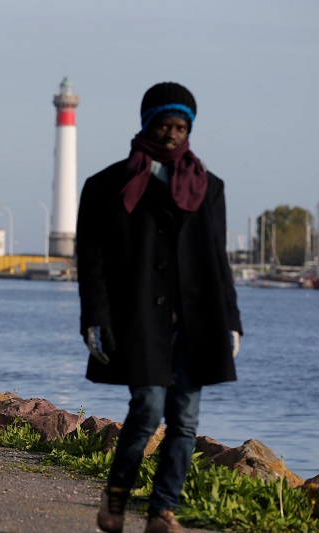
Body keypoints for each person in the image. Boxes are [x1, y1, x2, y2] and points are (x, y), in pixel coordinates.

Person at [75, 82, 242, 533]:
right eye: (164, 125)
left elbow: (218, 260)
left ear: (190, 129)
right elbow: (91, 262)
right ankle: (116, 496)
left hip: (197, 322)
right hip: (138, 322)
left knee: (185, 420)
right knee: (147, 409)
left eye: (181, 127)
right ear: (148, 123)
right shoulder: (107, 185)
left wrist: (232, 321)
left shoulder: (210, 188)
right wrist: (94, 318)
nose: (172, 135)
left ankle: (162, 512)